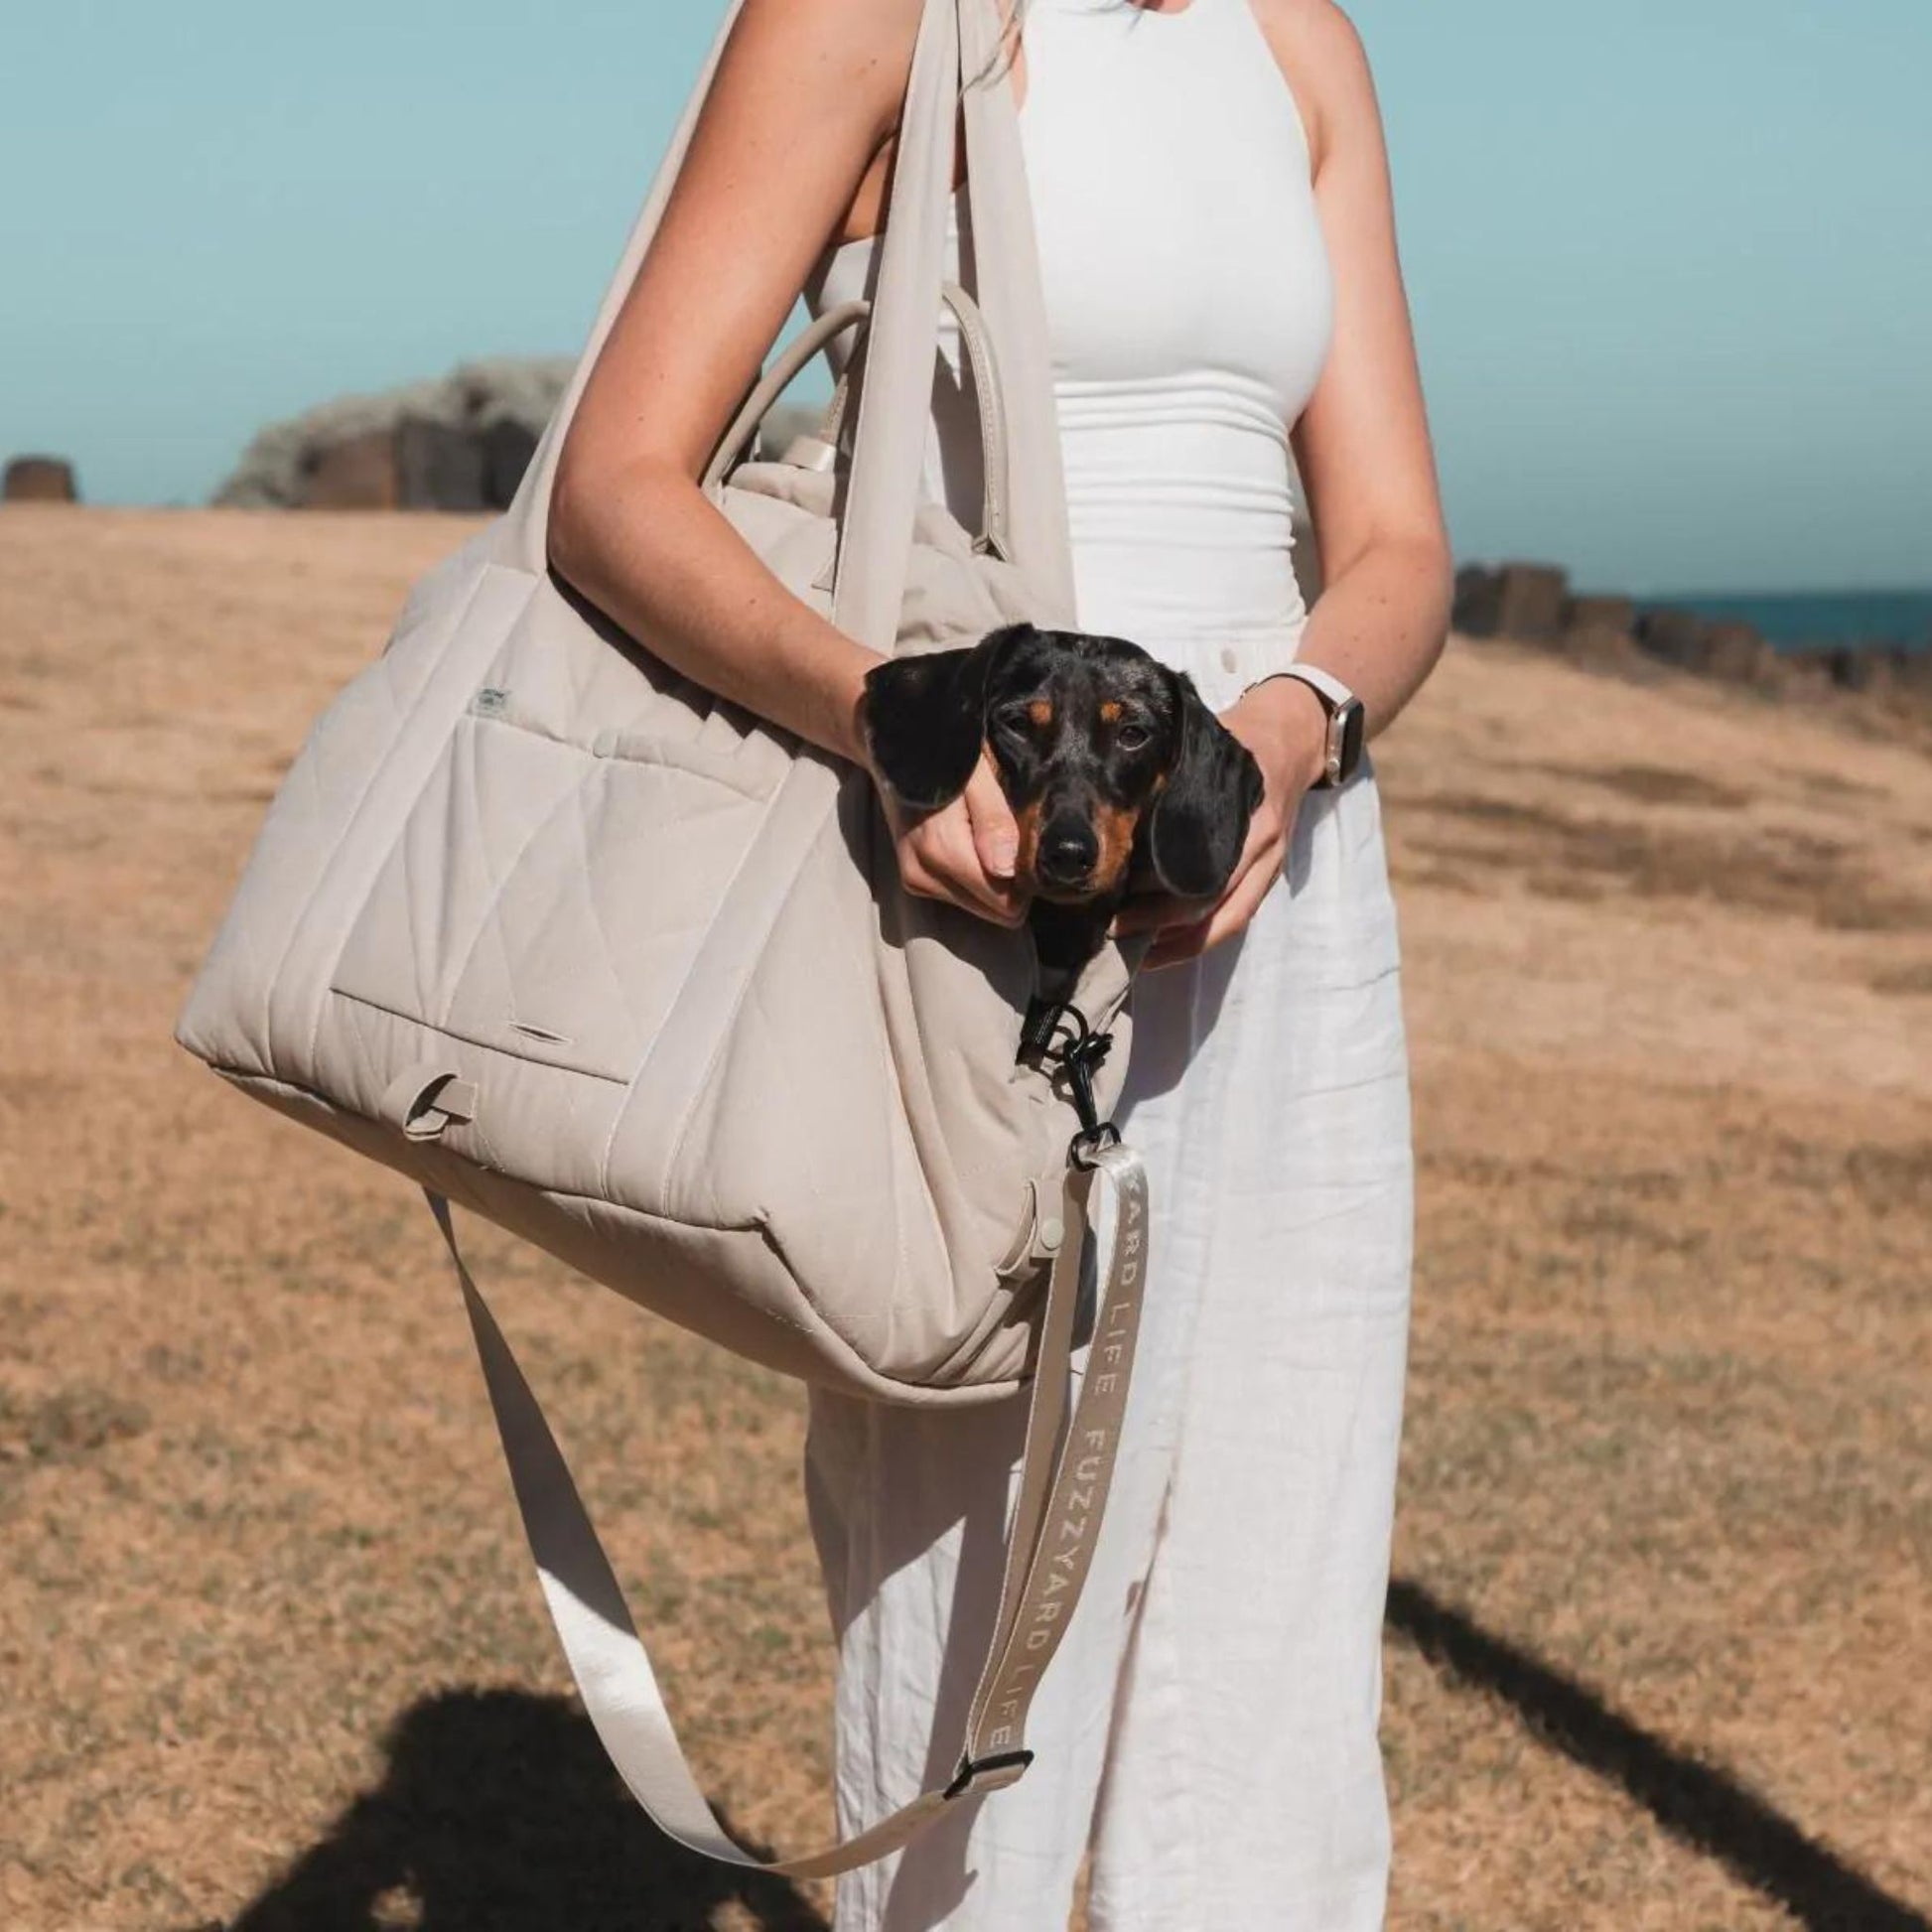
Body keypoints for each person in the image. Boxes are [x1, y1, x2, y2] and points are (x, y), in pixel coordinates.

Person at [548, 0, 1452, 1924]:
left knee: (1276, 1614)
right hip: (981, 913)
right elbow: (616, 483)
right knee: (974, 1639)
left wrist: (1289, 728)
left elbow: (1394, 545)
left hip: (1284, 897)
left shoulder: (1296, 39)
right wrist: (895, 728)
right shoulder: (870, 13)